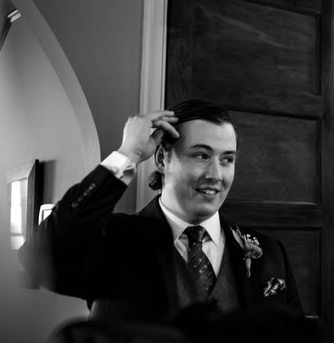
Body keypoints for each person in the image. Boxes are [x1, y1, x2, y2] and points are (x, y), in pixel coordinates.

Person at [19, 98, 304, 322]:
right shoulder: (115, 242)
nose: (216, 174)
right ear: (161, 158)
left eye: (227, 159)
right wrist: (127, 154)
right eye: (201, 155)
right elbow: (40, 256)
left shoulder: (270, 253)